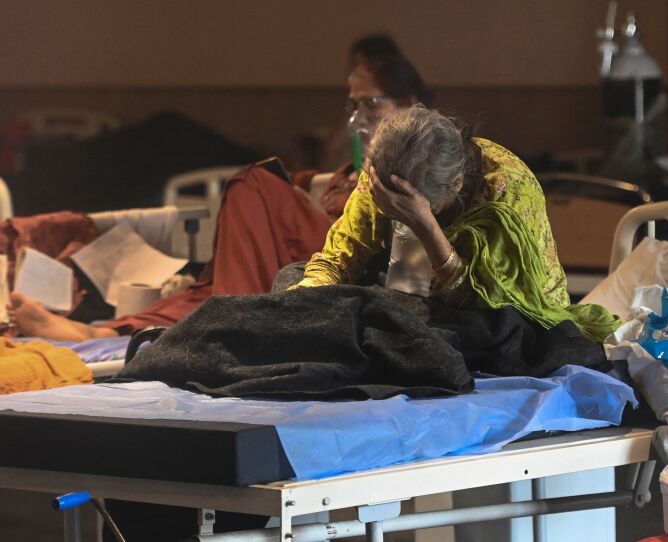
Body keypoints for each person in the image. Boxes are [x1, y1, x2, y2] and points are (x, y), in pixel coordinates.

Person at [10, 52, 431, 342]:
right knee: (203, 293)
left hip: (335, 265)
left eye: (371, 103)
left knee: (253, 185)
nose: (358, 118)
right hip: (302, 260)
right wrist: (302, 190)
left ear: (409, 103)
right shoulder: (345, 174)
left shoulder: (414, 169)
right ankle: (98, 332)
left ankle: (231, 326)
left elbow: (404, 261)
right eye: (352, 105)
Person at [286, 106, 619, 341]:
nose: (395, 212)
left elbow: (496, 303)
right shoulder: (385, 174)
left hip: (497, 313)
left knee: (491, 334)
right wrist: (312, 293)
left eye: (408, 208)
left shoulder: (506, 189)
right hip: (406, 299)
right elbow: (341, 255)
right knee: (293, 278)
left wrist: (425, 227)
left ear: (457, 184)